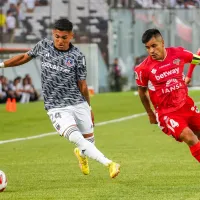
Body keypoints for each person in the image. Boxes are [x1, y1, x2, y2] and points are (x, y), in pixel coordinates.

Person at [0, 18, 120, 178]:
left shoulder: (77, 56)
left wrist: (89, 108)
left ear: (71, 36)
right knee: (77, 138)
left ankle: (81, 155)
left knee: (88, 142)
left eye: (64, 37)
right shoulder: (43, 46)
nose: (60, 40)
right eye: (57, 36)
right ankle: (109, 164)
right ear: (53, 34)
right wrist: (1, 64)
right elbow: (24, 57)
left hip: (78, 103)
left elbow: (82, 85)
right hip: (56, 107)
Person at [134, 28, 200, 163]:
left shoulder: (178, 54)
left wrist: (188, 76)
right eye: (148, 48)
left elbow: (196, 60)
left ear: (162, 43)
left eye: (154, 46)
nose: (151, 51)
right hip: (167, 113)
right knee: (189, 137)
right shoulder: (143, 69)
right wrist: (150, 113)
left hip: (186, 105)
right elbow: (142, 91)